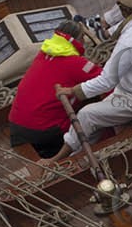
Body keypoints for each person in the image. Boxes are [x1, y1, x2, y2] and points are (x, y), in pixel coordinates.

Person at [53, 0, 132, 157]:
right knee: (95, 121)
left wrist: (73, 90)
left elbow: (106, 81)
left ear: (123, 10)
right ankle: (80, 155)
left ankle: (58, 158)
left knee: (86, 115)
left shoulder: (128, 41)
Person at [6, 21, 101, 158]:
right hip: (45, 132)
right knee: (93, 120)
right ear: (78, 40)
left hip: (16, 127)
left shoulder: (43, 53)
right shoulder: (77, 64)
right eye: (83, 37)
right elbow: (106, 80)